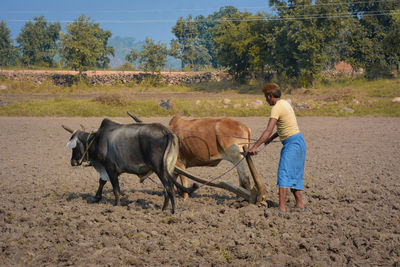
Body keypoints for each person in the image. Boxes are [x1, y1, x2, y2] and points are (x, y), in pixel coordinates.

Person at [247, 83, 306, 213]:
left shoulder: (276, 108)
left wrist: (254, 147)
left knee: (283, 173)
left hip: (292, 144)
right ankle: (300, 204)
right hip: (299, 142)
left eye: (265, 97)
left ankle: (282, 208)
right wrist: (271, 139)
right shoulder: (285, 104)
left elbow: (268, 130)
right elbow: (283, 127)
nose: (265, 100)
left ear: (270, 96)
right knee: (294, 174)